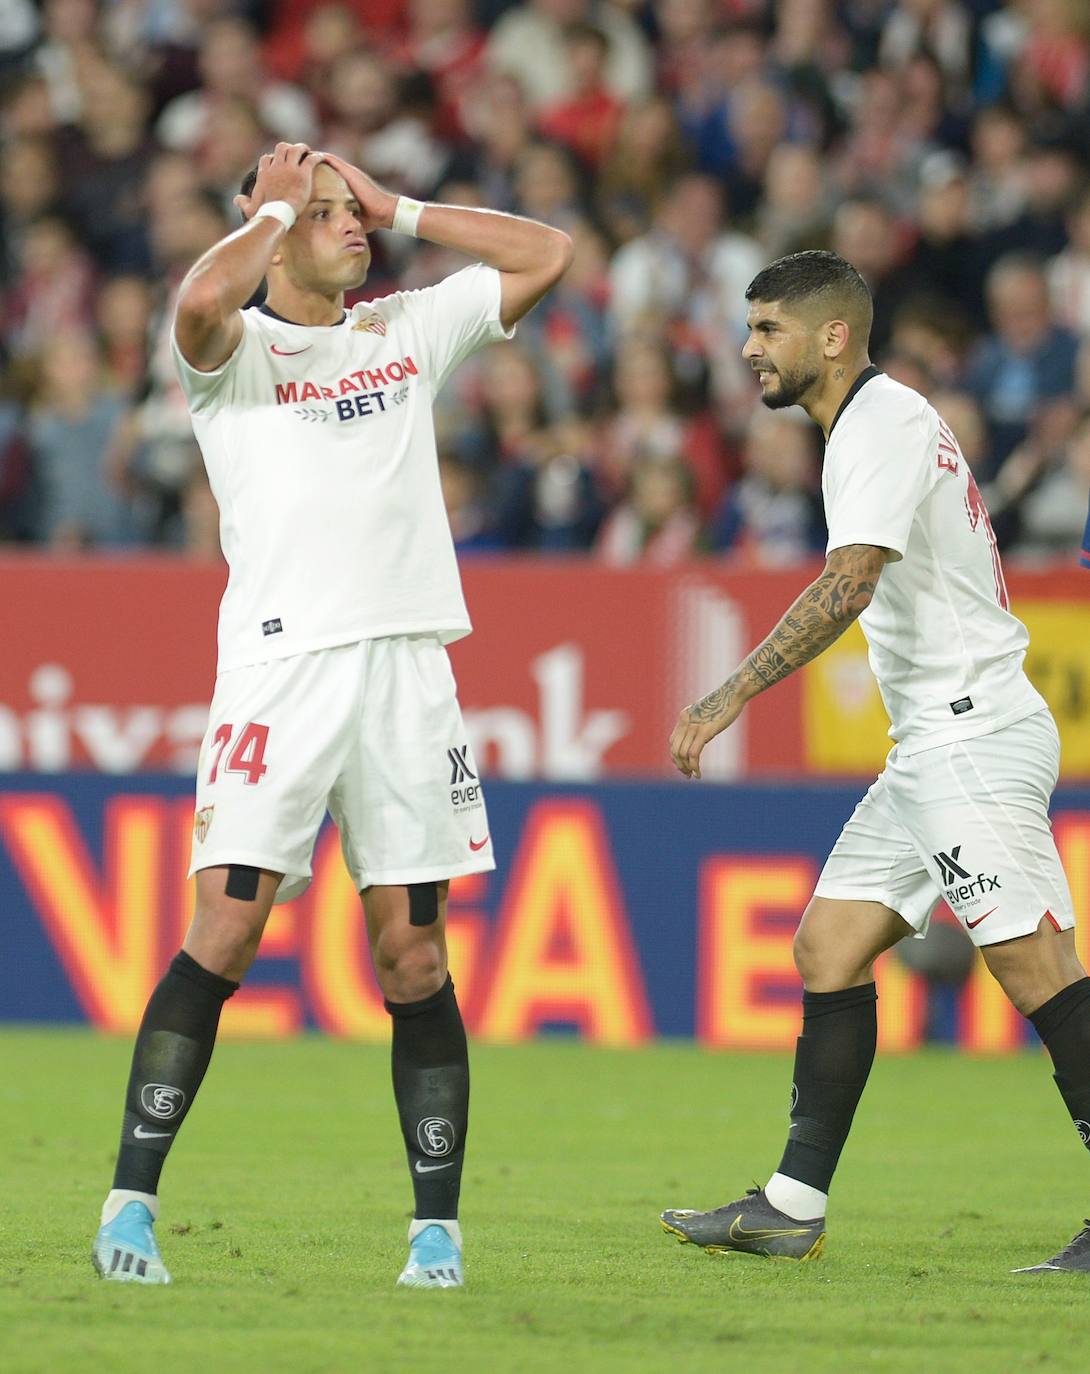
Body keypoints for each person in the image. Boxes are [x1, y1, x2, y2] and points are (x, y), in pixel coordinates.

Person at [91, 140, 572, 1288]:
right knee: (226, 931)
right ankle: (129, 1209)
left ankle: (436, 1234)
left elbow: (546, 254)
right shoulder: (235, 352)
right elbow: (198, 301)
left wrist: (395, 203)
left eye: (348, 211)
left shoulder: (400, 329)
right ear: (267, 232)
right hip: (283, 672)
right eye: (325, 214)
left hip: (406, 672)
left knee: (412, 955)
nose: (348, 225)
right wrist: (270, 212)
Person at [659, 250, 1090, 1275]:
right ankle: (789, 1207)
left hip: (969, 735)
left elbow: (849, 583)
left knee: (1037, 969)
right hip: (932, 743)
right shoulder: (872, 423)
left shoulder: (879, 426)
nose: (749, 348)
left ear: (833, 335)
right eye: (749, 327)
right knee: (829, 948)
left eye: (768, 328)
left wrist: (728, 695)